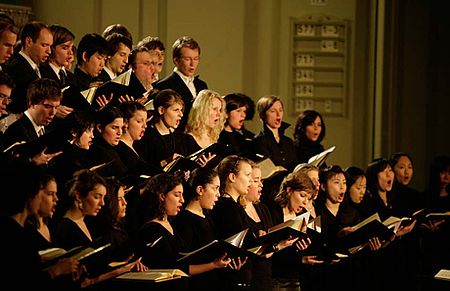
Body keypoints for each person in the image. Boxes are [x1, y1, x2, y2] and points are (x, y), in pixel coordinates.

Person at [0, 158, 81, 289]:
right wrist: (56, 270)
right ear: (30, 194)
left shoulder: (23, 229)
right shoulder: (10, 233)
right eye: (40, 191)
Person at [136, 172, 231, 282]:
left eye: (182, 194)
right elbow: (173, 268)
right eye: (177, 195)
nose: (182, 200)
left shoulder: (170, 224)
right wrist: (212, 265)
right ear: (162, 196)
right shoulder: (151, 230)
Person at [212, 155, 252, 290]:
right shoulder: (226, 207)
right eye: (247, 175)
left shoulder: (235, 206)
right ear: (232, 177)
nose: (251, 181)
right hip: (228, 278)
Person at [2, 78, 63, 165]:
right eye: (47, 106)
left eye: (56, 107)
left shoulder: (49, 129)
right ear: (31, 103)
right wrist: (33, 162)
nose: (53, 112)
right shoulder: (17, 131)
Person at [153, 36, 208, 131]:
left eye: (196, 59)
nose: (192, 64)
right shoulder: (163, 85)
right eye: (187, 59)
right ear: (176, 60)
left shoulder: (202, 85)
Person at [4, 21, 52, 114]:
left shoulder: (42, 69)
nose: (49, 51)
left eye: (50, 46)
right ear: (28, 42)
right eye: (44, 45)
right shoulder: (15, 69)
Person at [134, 89, 188, 169]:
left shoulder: (178, 136)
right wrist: (166, 162)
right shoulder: (146, 136)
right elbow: (143, 168)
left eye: (181, 110)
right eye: (176, 110)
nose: (181, 114)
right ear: (161, 110)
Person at [253, 95, 297, 171]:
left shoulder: (288, 141)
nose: (278, 114)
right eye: (273, 111)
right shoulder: (259, 141)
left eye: (280, 110)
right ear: (263, 114)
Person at [183, 89, 226, 167]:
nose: (219, 114)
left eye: (220, 110)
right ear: (202, 110)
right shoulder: (186, 140)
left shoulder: (218, 138)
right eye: (214, 109)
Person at [87, 106, 127, 177]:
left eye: (121, 128)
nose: (120, 132)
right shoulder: (97, 152)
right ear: (99, 127)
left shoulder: (114, 149)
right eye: (114, 128)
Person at [389, 152, 425, 217]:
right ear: (392, 170)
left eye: (410, 167)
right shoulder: (388, 194)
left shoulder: (415, 195)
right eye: (402, 167)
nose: (407, 172)